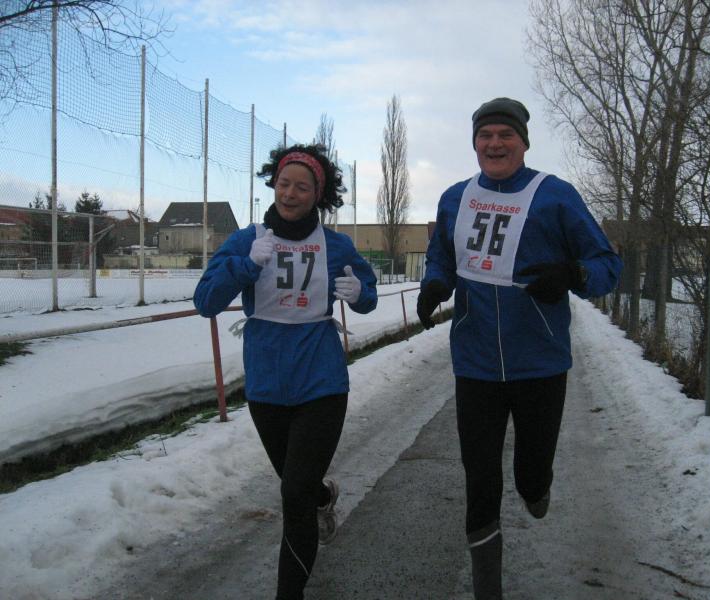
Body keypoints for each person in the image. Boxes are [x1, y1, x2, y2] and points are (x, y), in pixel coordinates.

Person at [417, 98, 622, 599]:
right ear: (474, 143)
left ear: (523, 142)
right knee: (480, 479)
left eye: (505, 135)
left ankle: (536, 486)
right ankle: (488, 590)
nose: (495, 144)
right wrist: (435, 283)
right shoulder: (454, 199)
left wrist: (573, 274)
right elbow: (441, 256)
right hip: (475, 363)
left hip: (540, 363)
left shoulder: (555, 196)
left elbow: (607, 265)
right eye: (485, 135)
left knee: (530, 476)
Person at [194, 143, 377, 600]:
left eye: (302, 187)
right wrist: (246, 266)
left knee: (293, 495)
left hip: (322, 382)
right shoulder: (248, 240)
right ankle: (322, 497)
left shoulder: (336, 245)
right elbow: (206, 301)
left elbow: (369, 295)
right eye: (283, 184)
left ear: (318, 195)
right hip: (267, 385)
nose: (290, 194)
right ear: (273, 186)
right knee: (299, 488)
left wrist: (359, 293)